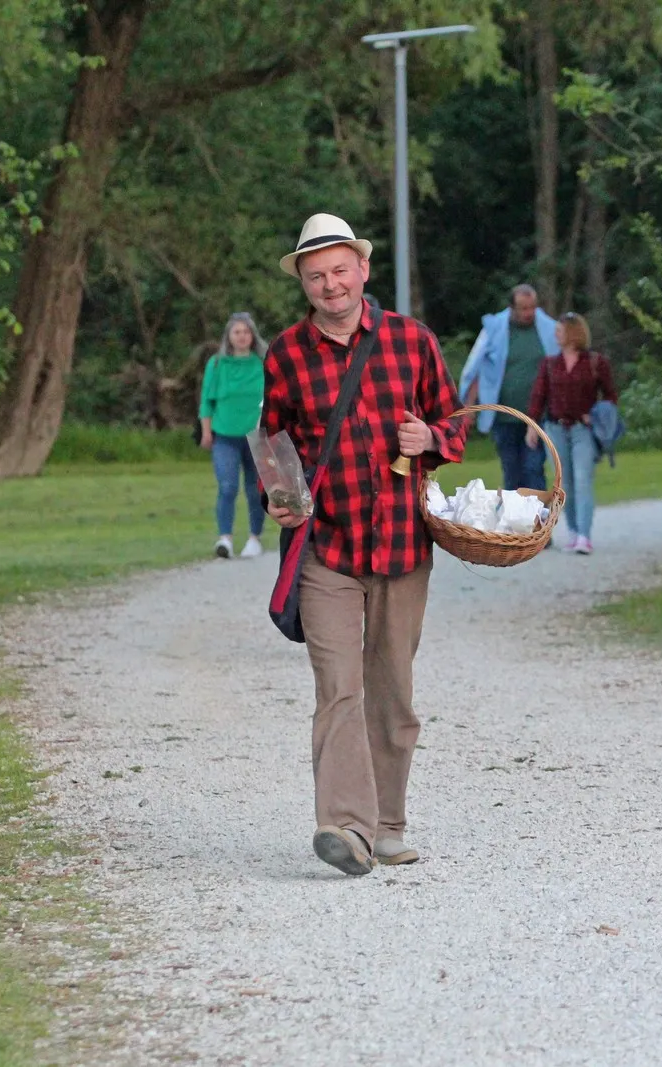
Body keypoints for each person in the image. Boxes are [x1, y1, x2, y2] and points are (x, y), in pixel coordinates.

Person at [263, 212, 467, 876]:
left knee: (392, 691)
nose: (331, 284)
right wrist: (281, 494)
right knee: (339, 687)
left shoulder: (412, 342)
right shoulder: (286, 354)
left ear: (363, 271)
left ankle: (387, 824)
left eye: (340, 270)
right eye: (316, 275)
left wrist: (431, 440)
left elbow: (454, 421)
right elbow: (273, 442)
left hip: (403, 547)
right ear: (304, 283)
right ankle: (346, 827)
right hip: (326, 547)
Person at [527, 312, 617, 555]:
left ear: (573, 333)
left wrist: (596, 414)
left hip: (583, 430)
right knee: (564, 483)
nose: (556, 334)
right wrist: (532, 425)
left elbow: (611, 396)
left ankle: (585, 535)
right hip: (555, 428)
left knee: (583, 480)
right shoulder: (549, 363)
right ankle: (574, 531)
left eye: (560, 330)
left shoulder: (596, 363)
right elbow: (539, 397)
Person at [458, 284, 559, 492]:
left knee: (534, 468)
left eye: (532, 307)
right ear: (512, 307)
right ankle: (514, 520)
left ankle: (538, 520)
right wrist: (469, 405)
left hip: (537, 415)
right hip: (504, 416)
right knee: (512, 471)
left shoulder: (549, 329)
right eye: (523, 308)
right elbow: (477, 367)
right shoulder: (495, 329)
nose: (529, 313)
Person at [199, 312, 269, 560]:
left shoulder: (263, 362)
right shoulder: (217, 364)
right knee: (227, 485)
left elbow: (274, 397)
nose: (242, 336)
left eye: (246, 332)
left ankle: (254, 537)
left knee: (255, 488)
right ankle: (225, 538)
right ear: (229, 336)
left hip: (256, 436)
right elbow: (207, 400)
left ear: (253, 335)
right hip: (225, 435)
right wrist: (206, 431)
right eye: (237, 332)